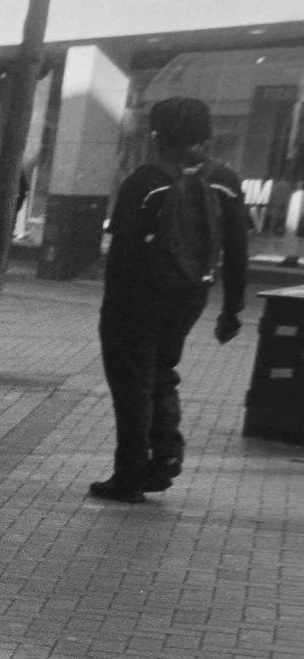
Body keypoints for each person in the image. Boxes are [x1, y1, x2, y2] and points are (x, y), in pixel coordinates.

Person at [91, 96, 250, 503]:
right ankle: (164, 457)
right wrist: (231, 310)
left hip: (137, 297)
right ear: (206, 133)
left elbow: (123, 251)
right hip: (191, 295)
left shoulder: (145, 180)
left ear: (156, 134)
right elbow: (236, 249)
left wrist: (112, 309)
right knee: (162, 371)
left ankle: (128, 475)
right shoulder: (226, 180)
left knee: (132, 383)